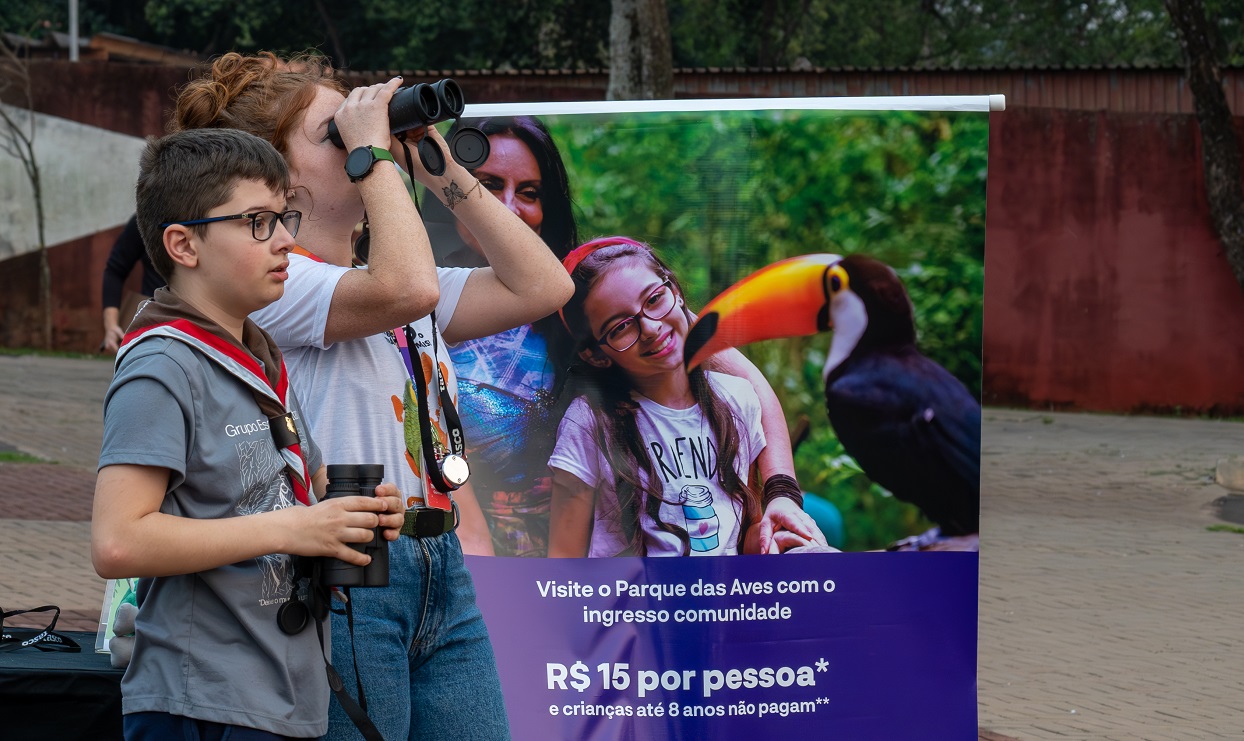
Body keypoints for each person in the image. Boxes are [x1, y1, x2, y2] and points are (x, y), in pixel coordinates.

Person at [172, 52, 573, 740]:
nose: (368, 134)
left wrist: (438, 167)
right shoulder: (276, 286)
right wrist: (376, 159)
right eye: (336, 131)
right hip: (350, 570)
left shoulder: (391, 282)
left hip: (439, 563)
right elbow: (406, 289)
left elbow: (545, 285)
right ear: (278, 173)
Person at [92, 127, 406, 740]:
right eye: (258, 222)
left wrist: (347, 511)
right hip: (201, 699)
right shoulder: (163, 365)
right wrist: (294, 527)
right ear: (184, 244)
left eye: (284, 217)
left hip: (279, 689)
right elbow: (119, 542)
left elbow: (280, 488)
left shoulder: (257, 354)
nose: (286, 239)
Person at [548, 236, 825, 557]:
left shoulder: (736, 399)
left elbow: (740, 535)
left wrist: (772, 540)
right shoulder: (589, 422)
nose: (650, 328)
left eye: (654, 299)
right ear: (596, 355)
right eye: (620, 327)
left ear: (676, 293)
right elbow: (563, 562)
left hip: (725, 588)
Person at [424, 116, 578, 557]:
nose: (508, 207)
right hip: (464, 556)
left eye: (529, 192)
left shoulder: (578, 289)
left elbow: (697, 347)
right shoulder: (416, 297)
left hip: (589, 564)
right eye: (487, 185)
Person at [100, 214, 163, 353]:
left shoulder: (207, 216)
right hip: (152, 326)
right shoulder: (148, 217)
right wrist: (111, 325)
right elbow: (115, 269)